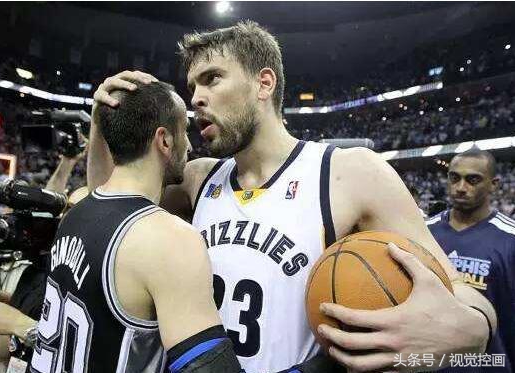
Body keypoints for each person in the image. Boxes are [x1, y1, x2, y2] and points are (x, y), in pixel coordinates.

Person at [88, 21, 497, 373]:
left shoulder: (350, 172)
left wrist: (475, 328)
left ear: (264, 83)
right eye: (192, 85)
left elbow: (459, 289)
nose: (195, 97)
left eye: (212, 78)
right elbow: (105, 206)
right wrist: (99, 119)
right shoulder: (197, 176)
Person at [31, 81, 242, 373]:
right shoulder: (167, 239)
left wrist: (98, 119)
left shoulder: (75, 213)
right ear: (164, 141)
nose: (191, 145)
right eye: (184, 132)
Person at [427, 149, 514, 372]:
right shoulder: (423, 232)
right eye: (454, 178)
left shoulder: (510, 239)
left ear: (494, 184)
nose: (461, 187)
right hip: (428, 362)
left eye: (472, 180)